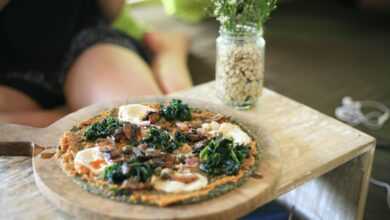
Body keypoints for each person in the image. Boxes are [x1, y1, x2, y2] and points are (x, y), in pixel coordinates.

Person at [0, 0, 192, 127]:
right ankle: (79, 114)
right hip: (10, 71)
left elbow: (112, 11)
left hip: (83, 40)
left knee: (148, 124)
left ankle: (169, 53)